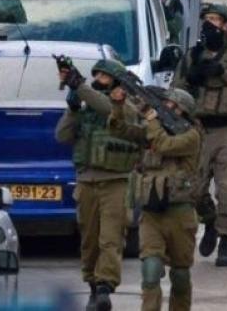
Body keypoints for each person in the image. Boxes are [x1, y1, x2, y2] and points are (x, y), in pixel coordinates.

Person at [172, 3, 227, 267]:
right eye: (206, 19)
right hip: (197, 131)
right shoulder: (192, 56)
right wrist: (192, 77)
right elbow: (175, 92)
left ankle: (226, 239)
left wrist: (223, 72)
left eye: (215, 19)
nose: (210, 24)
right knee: (193, 190)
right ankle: (209, 220)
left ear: (226, 25)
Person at [54, 59, 141, 311]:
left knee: (111, 239)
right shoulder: (87, 108)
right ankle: (93, 284)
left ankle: (105, 286)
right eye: (96, 76)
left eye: (104, 77)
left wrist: (80, 86)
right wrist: (73, 109)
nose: (98, 80)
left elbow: (107, 107)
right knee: (89, 240)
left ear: (116, 81)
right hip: (87, 181)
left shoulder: (127, 105)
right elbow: (62, 136)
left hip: (115, 182)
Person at [107, 88, 201, 311]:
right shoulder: (151, 130)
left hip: (180, 214)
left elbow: (163, 145)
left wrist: (151, 118)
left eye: (169, 105)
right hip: (151, 214)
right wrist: (117, 106)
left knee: (180, 275)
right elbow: (119, 129)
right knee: (150, 270)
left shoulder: (191, 136)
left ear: (181, 111)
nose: (164, 108)